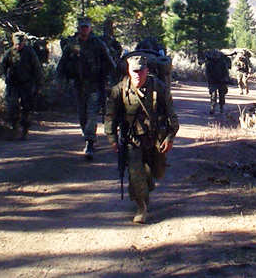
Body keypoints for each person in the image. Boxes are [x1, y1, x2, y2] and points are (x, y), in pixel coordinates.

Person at [105, 54, 179, 224]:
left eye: (141, 70)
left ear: (147, 70)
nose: (138, 74)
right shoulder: (119, 90)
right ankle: (141, 206)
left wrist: (170, 137)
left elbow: (171, 115)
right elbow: (110, 116)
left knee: (156, 172)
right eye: (134, 71)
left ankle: (146, 185)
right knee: (135, 173)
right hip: (132, 139)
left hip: (155, 138)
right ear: (129, 72)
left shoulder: (159, 88)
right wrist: (112, 138)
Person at [57, 17, 115, 160]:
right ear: (78, 28)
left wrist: (112, 80)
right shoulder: (72, 44)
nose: (84, 29)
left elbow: (109, 62)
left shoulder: (98, 44)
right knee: (82, 114)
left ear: (90, 28)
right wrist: (60, 80)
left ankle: (90, 142)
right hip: (78, 85)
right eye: (82, 27)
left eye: (86, 27)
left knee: (91, 114)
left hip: (94, 85)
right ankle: (87, 135)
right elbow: (62, 64)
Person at [1, 32, 43, 140]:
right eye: (16, 44)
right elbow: (3, 65)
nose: (18, 46)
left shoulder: (30, 52)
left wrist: (38, 84)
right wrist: (6, 76)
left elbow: (37, 68)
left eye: (20, 43)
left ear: (24, 42)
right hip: (13, 84)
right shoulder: (9, 52)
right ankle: (13, 128)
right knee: (12, 106)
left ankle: (24, 130)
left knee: (26, 107)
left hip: (26, 84)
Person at [203, 49, 231, 114]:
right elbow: (207, 73)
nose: (216, 56)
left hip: (221, 81)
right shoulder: (209, 63)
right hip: (213, 81)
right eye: (214, 55)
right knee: (213, 95)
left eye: (217, 55)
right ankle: (213, 107)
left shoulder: (222, 63)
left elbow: (226, 72)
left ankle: (221, 107)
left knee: (222, 95)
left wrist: (225, 78)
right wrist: (209, 80)